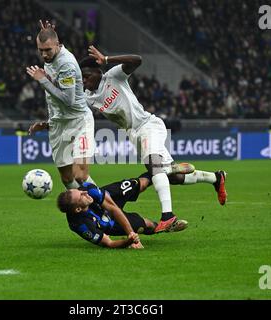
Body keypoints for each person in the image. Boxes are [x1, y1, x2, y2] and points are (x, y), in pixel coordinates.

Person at [79, 46, 227, 233]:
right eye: (82, 78)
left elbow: (137, 59)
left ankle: (168, 216)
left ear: (97, 71)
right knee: (175, 177)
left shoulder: (113, 76)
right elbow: (71, 107)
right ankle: (216, 178)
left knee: (154, 166)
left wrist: (107, 58)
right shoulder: (88, 97)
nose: (84, 81)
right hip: (134, 135)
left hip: (148, 126)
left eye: (86, 76)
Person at [26, 20, 96, 190]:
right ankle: (87, 211)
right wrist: (49, 123)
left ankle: (106, 208)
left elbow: (68, 100)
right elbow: (56, 99)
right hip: (59, 124)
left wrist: (42, 80)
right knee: (67, 178)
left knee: (81, 176)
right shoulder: (51, 53)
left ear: (58, 45)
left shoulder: (66, 65)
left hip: (78, 121)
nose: (43, 55)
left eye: (48, 50)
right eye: (40, 50)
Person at [57, 173, 188, 249]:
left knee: (140, 184)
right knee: (146, 225)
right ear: (78, 209)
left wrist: (130, 232)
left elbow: (113, 208)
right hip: (112, 223)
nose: (84, 192)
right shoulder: (80, 225)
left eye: (80, 191)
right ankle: (166, 227)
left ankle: (164, 171)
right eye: (81, 196)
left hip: (109, 199)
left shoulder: (88, 189)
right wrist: (130, 240)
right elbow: (109, 243)